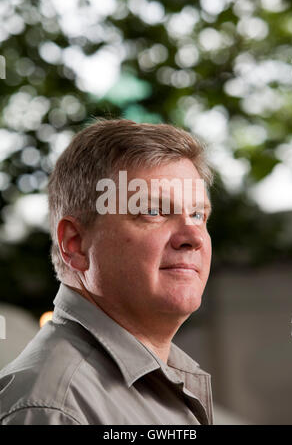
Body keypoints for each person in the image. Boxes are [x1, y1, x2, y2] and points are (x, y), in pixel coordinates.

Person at [0, 119, 214, 425]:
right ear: (75, 244)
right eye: (152, 212)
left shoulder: (153, 383)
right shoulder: (54, 410)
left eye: (197, 214)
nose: (193, 237)